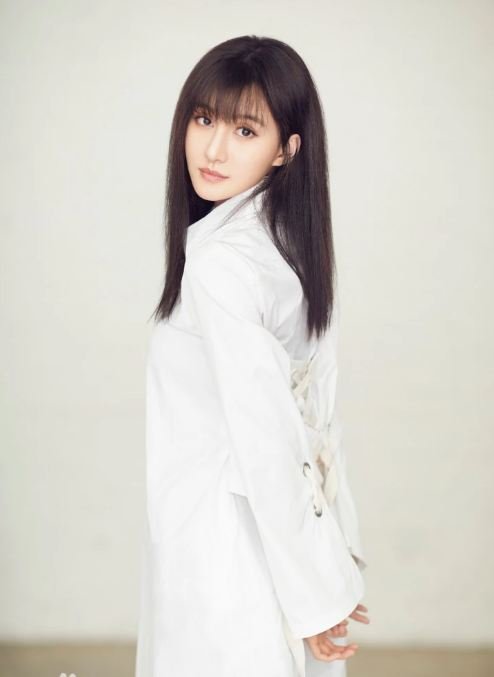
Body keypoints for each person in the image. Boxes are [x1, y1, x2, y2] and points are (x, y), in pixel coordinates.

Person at [135, 35, 370, 677]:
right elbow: (316, 422)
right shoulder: (288, 244)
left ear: (286, 149)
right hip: (259, 542)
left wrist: (317, 592)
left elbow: (269, 431)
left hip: (222, 546)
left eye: (245, 130)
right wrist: (329, 561)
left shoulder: (223, 262)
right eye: (203, 119)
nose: (213, 149)